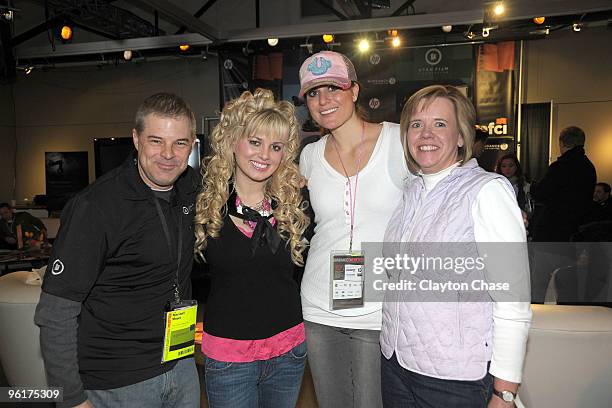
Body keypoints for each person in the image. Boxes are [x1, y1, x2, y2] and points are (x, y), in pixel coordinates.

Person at [34, 93, 200, 408]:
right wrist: (71, 398)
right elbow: (55, 313)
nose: (168, 154)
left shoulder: (191, 188)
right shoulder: (95, 207)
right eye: (156, 141)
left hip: (181, 367)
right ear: (136, 139)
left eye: (179, 143)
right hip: (118, 381)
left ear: (191, 145)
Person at [381, 85, 532, 407]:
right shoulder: (410, 192)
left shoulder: (487, 191)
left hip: (455, 379)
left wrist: (504, 392)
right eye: (416, 125)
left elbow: (513, 301)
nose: (426, 134)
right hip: (396, 364)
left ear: (462, 136)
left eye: (440, 124)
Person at [298, 50, 411, 408]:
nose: (324, 100)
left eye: (334, 87)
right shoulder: (309, 156)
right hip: (317, 304)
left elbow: (443, 185)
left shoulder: (398, 141)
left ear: (355, 91)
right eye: (313, 93)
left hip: (378, 308)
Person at [194, 89, 310, 408]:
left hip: (288, 352)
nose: (265, 155)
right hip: (230, 359)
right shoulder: (205, 205)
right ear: (234, 141)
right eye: (255, 142)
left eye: (276, 146)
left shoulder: (295, 205)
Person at [529, 126, 597, 301]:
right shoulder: (589, 167)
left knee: (539, 283)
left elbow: (542, 193)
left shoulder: (560, 166)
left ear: (562, 143)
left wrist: (534, 186)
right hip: (573, 234)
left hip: (551, 233)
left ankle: (536, 321)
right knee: (568, 284)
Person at [495, 154, 532, 223]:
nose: (507, 169)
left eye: (511, 165)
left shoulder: (525, 186)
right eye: (504, 166)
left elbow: (528, 207)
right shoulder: (496, 185)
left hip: (521, 221)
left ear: (516, 167)